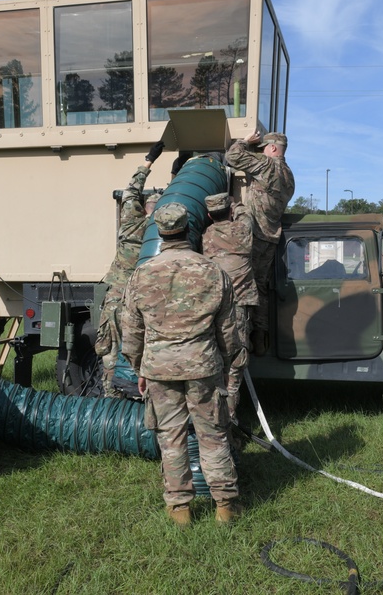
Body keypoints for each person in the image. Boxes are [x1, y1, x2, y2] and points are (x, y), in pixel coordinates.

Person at [121, 202, 244, 527]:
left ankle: (180, 511)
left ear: (160, 231)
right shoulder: (213, 272)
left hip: (159, 371)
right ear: (187, 229)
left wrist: (140, 370)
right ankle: (225, 508)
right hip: (203, 367)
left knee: (171, 439)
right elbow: (228, 333)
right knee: (213, 436)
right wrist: (225, 364)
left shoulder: (142, 274)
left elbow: (131, 334)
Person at [94, 141, 164, 397]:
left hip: (116, 299)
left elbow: (131, 191)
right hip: (142, 301)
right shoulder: (163, 233)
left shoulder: (131, 224)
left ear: (145, 207)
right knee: (142, 353)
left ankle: (112, 404)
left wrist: (149, 159)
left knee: (110, 356)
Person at [225, 131, 295, 355]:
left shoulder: (266, 165)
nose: (261, 150)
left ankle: (242, 340)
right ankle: (260, 335)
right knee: (260, 288)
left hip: (253, 235)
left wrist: (245, 141)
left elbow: (232, 157)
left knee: (242, 288)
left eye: (263, 147)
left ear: (273, 149)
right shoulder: (289, 175)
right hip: (271, 235)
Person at [201, 192, 256, 427]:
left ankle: (212, 417)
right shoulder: (243, 231)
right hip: (239, 307)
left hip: (213, 308)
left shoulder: (205, 237)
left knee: (214, 359)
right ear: (230, 212)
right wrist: (237, 201)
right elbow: (246, 215)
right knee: (236, 362)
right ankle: (230, 419)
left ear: (208, 215)